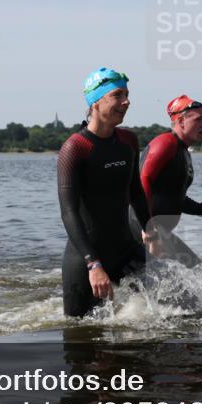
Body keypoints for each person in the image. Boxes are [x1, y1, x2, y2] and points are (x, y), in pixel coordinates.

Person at [57, 67, 156, 317]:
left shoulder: (128, 142)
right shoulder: (75, 148)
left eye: (127, 94)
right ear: (95, 102)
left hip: (125, 251)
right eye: (118, 95)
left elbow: (135, 190)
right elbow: (69, 213)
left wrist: (149, 229)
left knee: (169, 305)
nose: (127, 101)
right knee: (82, 337)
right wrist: (93, 264)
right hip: (86, 260)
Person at [137, 95, 202, 266]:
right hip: (141, 228)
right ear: (181, 121)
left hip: (156, 230)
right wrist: (148, 228)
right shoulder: (165, 143)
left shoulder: (182, 151)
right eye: (199, 119)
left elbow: (175, 198)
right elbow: (143, 181)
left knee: (190, 273)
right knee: (195, 269)